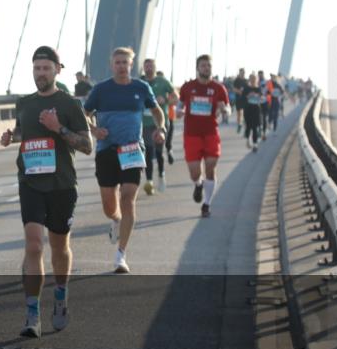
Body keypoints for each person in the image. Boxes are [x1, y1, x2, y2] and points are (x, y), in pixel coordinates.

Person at [0, 46, 91, 337]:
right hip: (30, 182)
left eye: (46, 68)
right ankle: (32, 313)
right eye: (37, 68)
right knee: (34, 245)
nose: (41, 73)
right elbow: (23, 131)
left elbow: (87, 145)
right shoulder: (24, 103)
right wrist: (10, 137)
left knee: (59, 247)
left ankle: (61, 295)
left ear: (57, 70)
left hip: (62, 185)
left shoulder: (70, 104)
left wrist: (58, 127)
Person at [83, 47, 165, 274]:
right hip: (107, 151)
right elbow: (84, 113)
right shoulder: (101, 90)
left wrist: (161, 128)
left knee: (128, 199)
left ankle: (121, 255)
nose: (121, 66)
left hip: (131, 150)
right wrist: (94, 129)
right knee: (110, 206)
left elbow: (157, 111)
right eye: (117, 62)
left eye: (125, 62)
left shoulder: (141, 87)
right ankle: (116, 220)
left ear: (132, 65)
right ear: (112, 65)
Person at [177, 54, 231, 218]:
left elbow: (227, 107)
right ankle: (198, 184)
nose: (206, 68)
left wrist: (225, 111)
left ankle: (206, 204)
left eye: (208, 66)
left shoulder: (218, 88)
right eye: (203, 66)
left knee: (210, 167)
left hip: (210, 133)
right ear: (197, 68)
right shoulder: (187, 87)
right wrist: (179, 111)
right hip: (191, 134)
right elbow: (180, 105)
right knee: (194, 172)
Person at [140, 59, 175, 194]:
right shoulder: (140, 83)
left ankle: (161, 175)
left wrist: (165, 100)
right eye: (146, 65)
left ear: (155, 67)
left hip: (159, 123)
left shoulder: (162, 81)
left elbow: (175, 97)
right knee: (148, 151)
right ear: (143, 67)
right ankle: (149, 181)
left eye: (151, 65)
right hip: (145, 123)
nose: (148, 68)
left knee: (159, 152)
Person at [241, 73, 263, 152]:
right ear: (249, 80)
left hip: (256, 110)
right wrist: (248, 95)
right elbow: (242, 98)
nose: (253, 80)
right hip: (248, 110)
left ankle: (255, 144)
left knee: (255, 128)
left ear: (256, 80)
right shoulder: (246, 88)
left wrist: (259, 97)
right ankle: (247, 140)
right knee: (248, 127)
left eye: (254, 79)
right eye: (252, 79)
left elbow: (261, 99)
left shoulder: (259, 88)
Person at [232, 68, 248, 134]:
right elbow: (234, 89)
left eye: (243, 72)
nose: (242, 74)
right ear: (239, 72)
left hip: (245, 99)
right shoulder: (236, 80)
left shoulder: (246, 81)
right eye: (241, 72)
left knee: (245, 114)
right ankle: (239, 125)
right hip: (238, 99)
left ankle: (246, 127)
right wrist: (239, 92)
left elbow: (248, 89)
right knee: (239, 113)